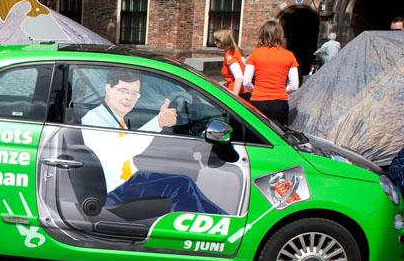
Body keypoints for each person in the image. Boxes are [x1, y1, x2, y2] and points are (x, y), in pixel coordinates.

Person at [80, 68, 225, 215]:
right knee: (180, 186)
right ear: (108, 88)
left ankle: (222, 218)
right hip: (112, 191)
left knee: (183, 180)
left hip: (129, 178)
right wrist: (158, 123)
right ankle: (209, 226)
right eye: (123, 90)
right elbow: (121, 151)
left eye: (134, 93)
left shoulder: (115, 116)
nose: (129, 98)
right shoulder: (94, 119)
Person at [242, 20, 299, 125]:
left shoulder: (255, 53)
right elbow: (294, 85)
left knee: (259, 134)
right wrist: (282, 91)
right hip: (279, 102)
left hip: (258, 101)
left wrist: (255, 91)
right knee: (279, 135)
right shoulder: (289, 55)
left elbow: (246, 82)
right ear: (280, 35)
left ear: (263, 34)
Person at [213, 28, 249, 100]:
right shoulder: (236, 51)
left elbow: (239, 77)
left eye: (217, 40)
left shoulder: (230, 55)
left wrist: (234, 97)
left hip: (240, 94)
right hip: (244, 92)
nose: (215, 42)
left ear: (224, 41)